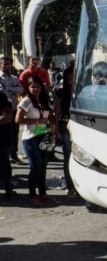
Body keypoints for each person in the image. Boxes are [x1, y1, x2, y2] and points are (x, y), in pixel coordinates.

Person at [15, 75, 55, 207]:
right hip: (30, 138)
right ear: (28, 87)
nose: (35, 89)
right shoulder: (26, 101)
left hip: (43, 135)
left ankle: (42, 193)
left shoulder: (44, 101)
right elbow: (18, 120)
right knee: (35, 166)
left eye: (38, 86)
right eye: (32, 86)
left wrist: (51, 125)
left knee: (43, 165)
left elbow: (51, 116)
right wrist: (36, 121)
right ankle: (32, 195)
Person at [54, 67, 77, 198]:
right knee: (68, 157)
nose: (71, 81)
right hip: (65, 126)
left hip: (79, 126)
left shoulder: (81, 91)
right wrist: (56, 130)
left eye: (74, 78)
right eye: (69, 78)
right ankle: (70, 187)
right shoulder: (60, 93)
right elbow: (56, 113)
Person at [0, 56, 25, 163]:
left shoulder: (14, 78)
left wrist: (8, 89)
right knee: (4, 132)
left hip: (14, 108)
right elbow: (1, 91)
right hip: (2, 110)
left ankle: (13, 154)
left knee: (15, 132)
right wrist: (13, 91)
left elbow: (21, 89)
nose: (6, 66)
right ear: (0, 64)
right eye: (4, 64)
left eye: (8, 64)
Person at [0, 90, 14, 200]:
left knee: (4, 163)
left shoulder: (2, 96)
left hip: (3, 137)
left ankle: (8, 189)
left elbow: (7, 116)